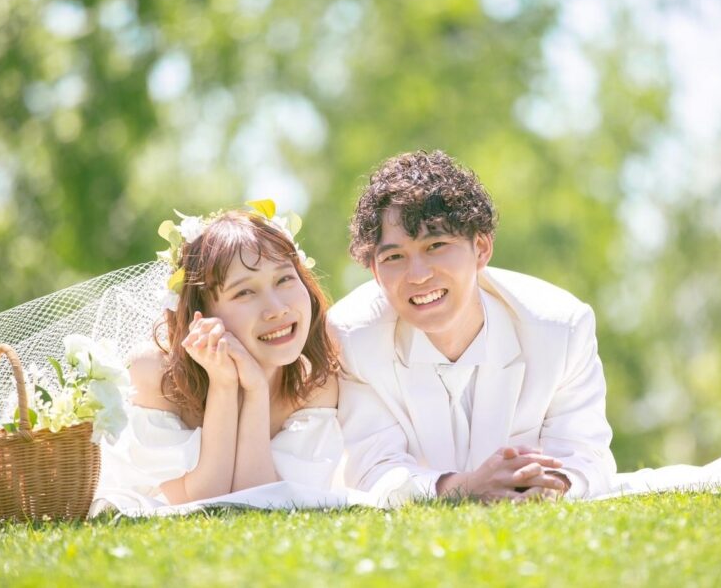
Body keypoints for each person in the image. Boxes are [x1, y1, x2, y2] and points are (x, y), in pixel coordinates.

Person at [330, 151, 616, 504]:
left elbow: (586, 456)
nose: (417, 275)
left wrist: (544, 484)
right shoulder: (351, 337)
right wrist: (466, 487)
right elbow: (373, 470)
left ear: (481, 248)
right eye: (394, 257)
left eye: (436, 245)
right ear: (374, 271)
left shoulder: (561, 328)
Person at [98, 205, 341, 507]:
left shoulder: (314, 382)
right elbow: (202, 502)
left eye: (284, 280)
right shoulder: (156, 372)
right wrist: (223, 385)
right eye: (244, 293)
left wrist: (255, 390)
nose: (277, 309)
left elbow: (265, 500)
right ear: (200, 312)